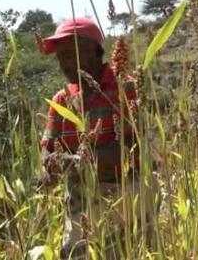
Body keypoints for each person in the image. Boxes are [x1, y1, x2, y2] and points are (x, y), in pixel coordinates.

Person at [38, 17, 139, 259]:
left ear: (91, 51)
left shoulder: (127, 89)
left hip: (127, 201)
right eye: (60, 58)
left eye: (69, 56)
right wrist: (48, 167)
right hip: (78, 205)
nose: (63, 64)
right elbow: (48, 149)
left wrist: (79, 161)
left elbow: (137, 149)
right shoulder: (61, 100)